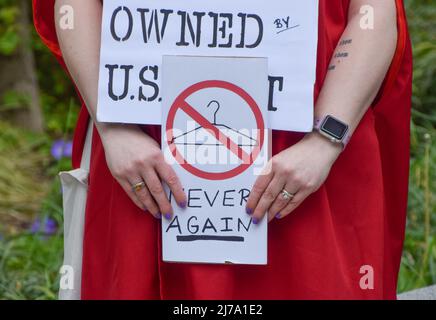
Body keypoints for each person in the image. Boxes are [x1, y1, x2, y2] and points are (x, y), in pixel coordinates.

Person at [33, 0, 412, 299]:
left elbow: (373, 10)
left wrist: (324, 141)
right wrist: (114, 127)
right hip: (144, 147)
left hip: (306, 149)